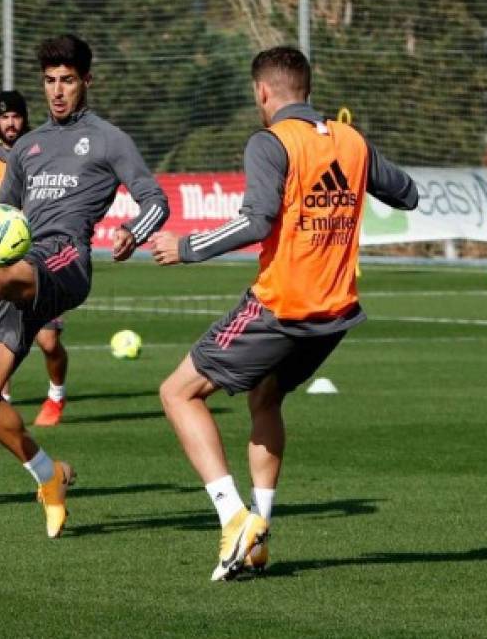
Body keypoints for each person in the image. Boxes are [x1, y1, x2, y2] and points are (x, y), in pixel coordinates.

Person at [149, 46, 419, 581]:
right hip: (335, 315)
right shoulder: (350, 140)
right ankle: (259, 536)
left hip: (281, 308)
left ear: (263, 92)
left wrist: (187, 247)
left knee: (177, 393)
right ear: (308, 87)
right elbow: (407, 194)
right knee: (265, 396)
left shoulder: (270, 141)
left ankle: (232, 520)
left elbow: (255, 222)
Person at [0, 34, 169, 539]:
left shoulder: (108, 139)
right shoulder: (28, 147)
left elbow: (155, 201)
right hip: (16, 272)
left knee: (4, 273)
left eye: (68, 81)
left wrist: (132, 233)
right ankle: (49, 476)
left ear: (86, 81)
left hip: (65, 262)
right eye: (50, 81)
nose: (57, 91)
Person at [0, 90, 70, 426]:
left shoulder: (41, 153)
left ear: (24, 118)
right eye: (4, 117)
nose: (10, 123)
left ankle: (56, 394)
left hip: (40, 258)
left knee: (48, 340)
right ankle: (2, 400)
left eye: (15, 116)